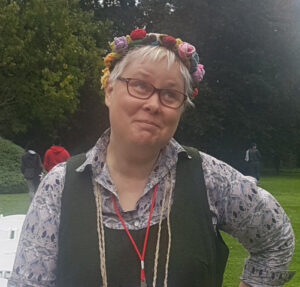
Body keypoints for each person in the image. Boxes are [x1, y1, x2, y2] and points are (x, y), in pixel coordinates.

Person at [9, 29, 295, 287]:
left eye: (170, 95)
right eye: (140, 86)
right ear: (110, 90)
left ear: (182, 108)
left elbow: (277, 242)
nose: (153, 104)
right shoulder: (60, 187)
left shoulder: (211, 178)